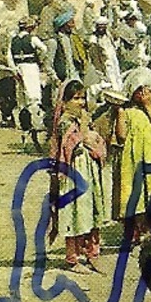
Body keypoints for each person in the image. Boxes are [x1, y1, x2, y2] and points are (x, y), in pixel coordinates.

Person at [49, 80, 107, 273]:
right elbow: (72, 144)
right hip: (74, 173)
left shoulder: (84, 118)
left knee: (92, 211)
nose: (81, 102)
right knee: (75, 214)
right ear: (64, 102)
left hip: (89, 170)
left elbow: (93, 139)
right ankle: (73, 258)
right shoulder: (64, 121)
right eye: (75, 98)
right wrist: (84, 129)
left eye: (82, 98)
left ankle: (93, 254)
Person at [115, 66, 151, 239]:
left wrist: (148, 106)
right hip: (133, 160)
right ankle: (136, 232)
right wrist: (119, 112)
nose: (142, 93)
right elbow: (121, 137)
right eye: (138, 90)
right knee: (135, 195)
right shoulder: (127, 111)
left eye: (145, 90)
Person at [8, 18, 48, 131]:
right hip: (30, 68)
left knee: (21, 96)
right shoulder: (32, 39)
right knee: (33, 95)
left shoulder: (13, 40)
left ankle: (21, 123)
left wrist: (14, 70)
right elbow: (44, 49)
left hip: (18, 68)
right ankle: (37, 123)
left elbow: (9, 57)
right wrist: (40, 60)